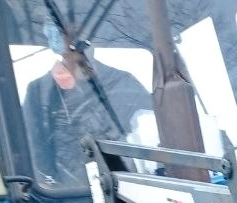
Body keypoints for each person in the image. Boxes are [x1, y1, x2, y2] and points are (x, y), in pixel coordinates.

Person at [22, 24, 152, 189]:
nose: (82, 39)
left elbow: (153, 140)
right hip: (74, 202)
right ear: (57, 40)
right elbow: (36, 161)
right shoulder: (39, 93)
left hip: (132, 193)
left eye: (86, 29)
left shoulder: (125, 83)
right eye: (71, 33)